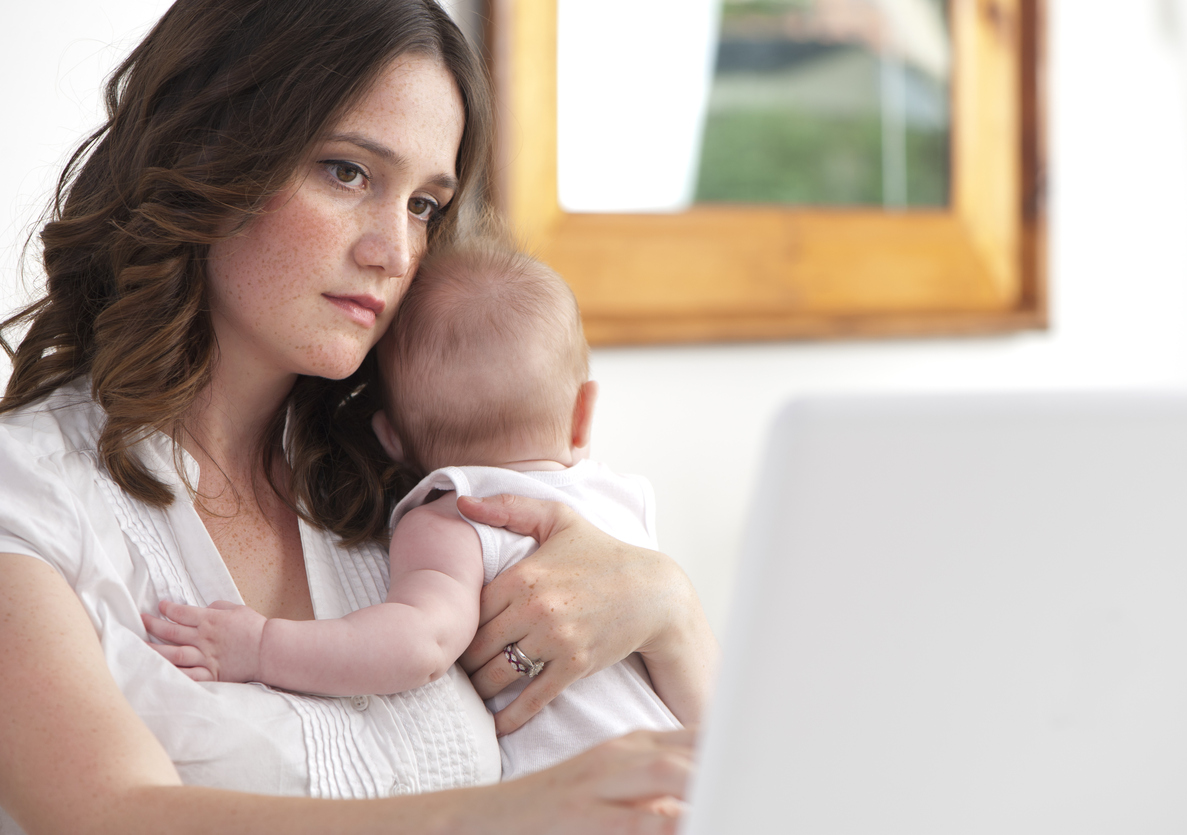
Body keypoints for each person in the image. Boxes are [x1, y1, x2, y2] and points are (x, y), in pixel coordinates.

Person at [0, 1, 718, 832]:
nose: (395, 251)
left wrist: (670, 608)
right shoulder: (31, 498)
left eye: (423, 205)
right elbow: (107, 814)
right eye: (348, 172)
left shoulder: (414, 477)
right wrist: (505, 815)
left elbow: (724, 778)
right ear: (209, 151)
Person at [144, 239, 685, 780]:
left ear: (390, 439)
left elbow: (419, 644)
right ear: (583, 413)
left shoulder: (456, 515)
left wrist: (261, 646)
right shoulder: (622, 501)